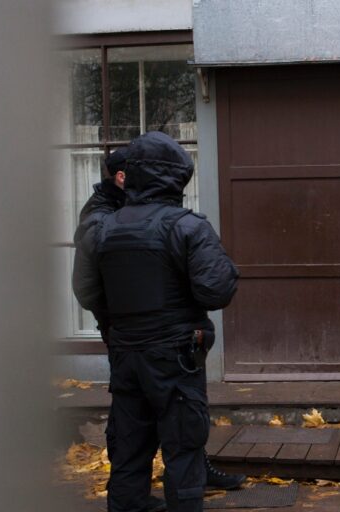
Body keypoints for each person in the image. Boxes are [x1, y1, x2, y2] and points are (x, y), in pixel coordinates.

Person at [73, 131, 245, 512]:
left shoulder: (101, 228)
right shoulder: (188, 227)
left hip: (126, 356)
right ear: (177, 177)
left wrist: (122, 325)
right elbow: (216, 291)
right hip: (175, 357)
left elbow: (86, 292)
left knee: (128, 445)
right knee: (183, 446)